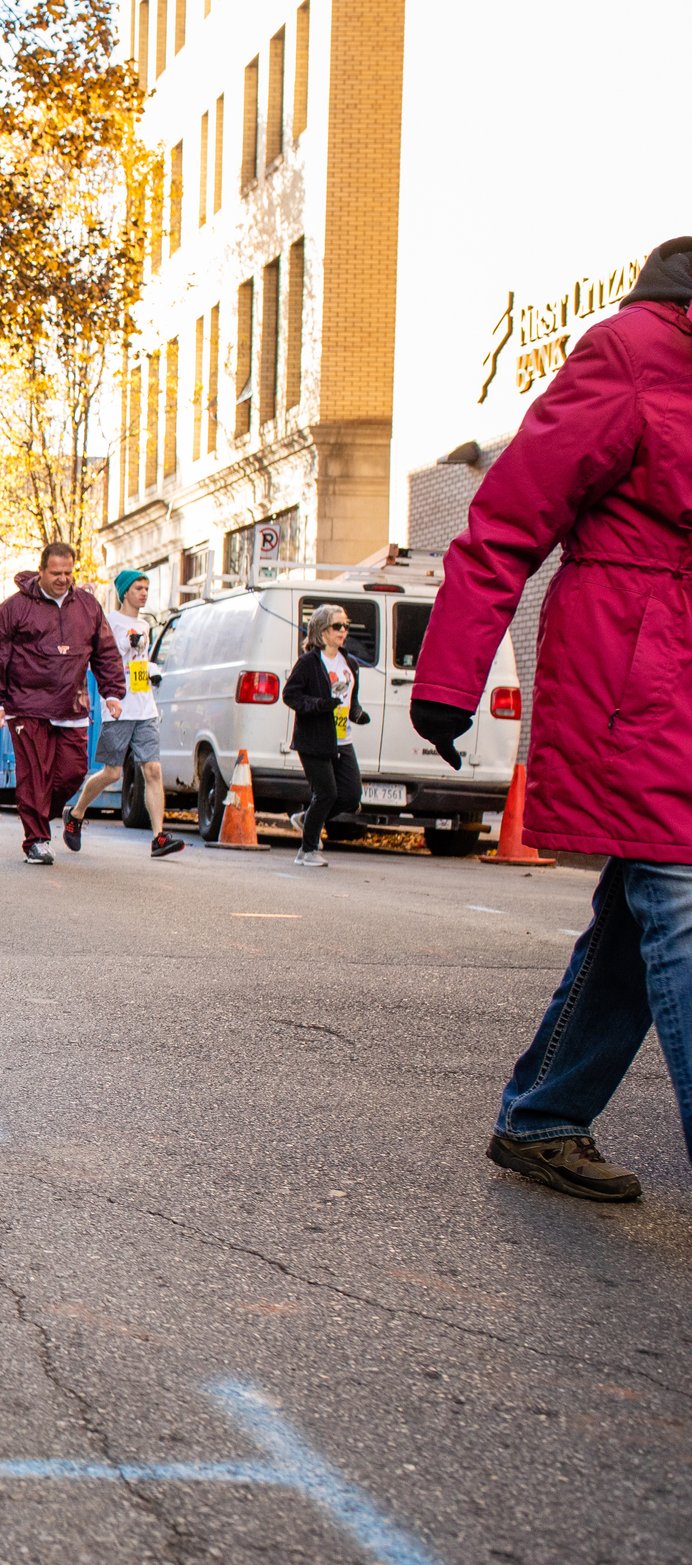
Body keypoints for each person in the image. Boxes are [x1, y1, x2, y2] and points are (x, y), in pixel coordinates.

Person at [410, 236, 692, 1206]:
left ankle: (543, 1113)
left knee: (644, 903)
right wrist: (448, 677)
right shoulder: (628, 353)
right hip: (634, 665)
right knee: (680, 895)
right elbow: (502, 524)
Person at [0, 542, 123, 865]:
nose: (62, 579)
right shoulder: (15, 607)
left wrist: (112, 692)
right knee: (34, 774)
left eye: (68, 573)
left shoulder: (87, 607)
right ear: (41, 570)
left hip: (71, 705)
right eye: (56, 573)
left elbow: (105, 651)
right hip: (26, 704)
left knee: (72, 772)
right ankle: (37, 839)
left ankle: (44, 813)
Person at [63, 571, 187, 859]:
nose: (144, 593)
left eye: (146, 588)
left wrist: (150, 673)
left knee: (153, 770)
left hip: (144, 707)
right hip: (118, 707)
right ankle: (76, 813)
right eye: (137, 588)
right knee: (112, 772)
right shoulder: (109, 621)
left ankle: (158, 837)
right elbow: (100, 662)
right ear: (124, 593)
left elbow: (138, 664)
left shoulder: (144, 625)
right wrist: (123, 651)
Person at [281, 604, 368, 868]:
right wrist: (319, 705)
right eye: (337, 626)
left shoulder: (349, 662)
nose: (343, 631)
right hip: (315, 738)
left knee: (351, 796)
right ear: (322, 630)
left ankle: (308, 819)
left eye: (346, 625)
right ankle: (307, 851)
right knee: (326, 793)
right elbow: (291, 695)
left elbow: (350, 699)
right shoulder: (309, 662)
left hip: (343, 738)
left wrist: (357, 713)